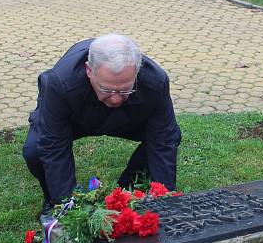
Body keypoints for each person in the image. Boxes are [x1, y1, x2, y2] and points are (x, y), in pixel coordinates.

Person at [23, 34, 182, 218]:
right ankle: (53, 201)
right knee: (34, 150)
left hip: (128, 116)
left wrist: (165, 201)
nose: (115, 98)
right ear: (89, 71)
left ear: (137, 72)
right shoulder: (61, 82)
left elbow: (164, 139)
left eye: (124, 89)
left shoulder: (156, 81)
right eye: (107, 89)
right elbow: (53, 144)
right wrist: (66, 203)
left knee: (172, 135)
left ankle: (127, 188)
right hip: (75, 116)